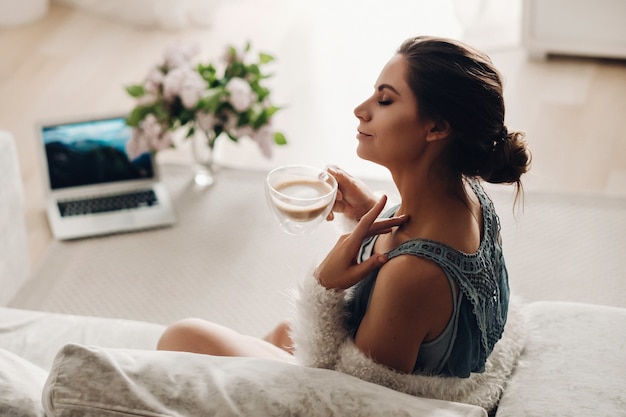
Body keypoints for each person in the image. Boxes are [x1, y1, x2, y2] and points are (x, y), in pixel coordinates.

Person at [157, 35, 531, 411]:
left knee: (183, 336)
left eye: (385, 100)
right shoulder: (469, 197)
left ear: (436, 127)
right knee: (281, 333)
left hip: (363, 400)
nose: (360, 109)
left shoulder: (412, 276)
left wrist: (323, 289)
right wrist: (365, 213)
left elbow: (346, 400)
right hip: (415, 362)